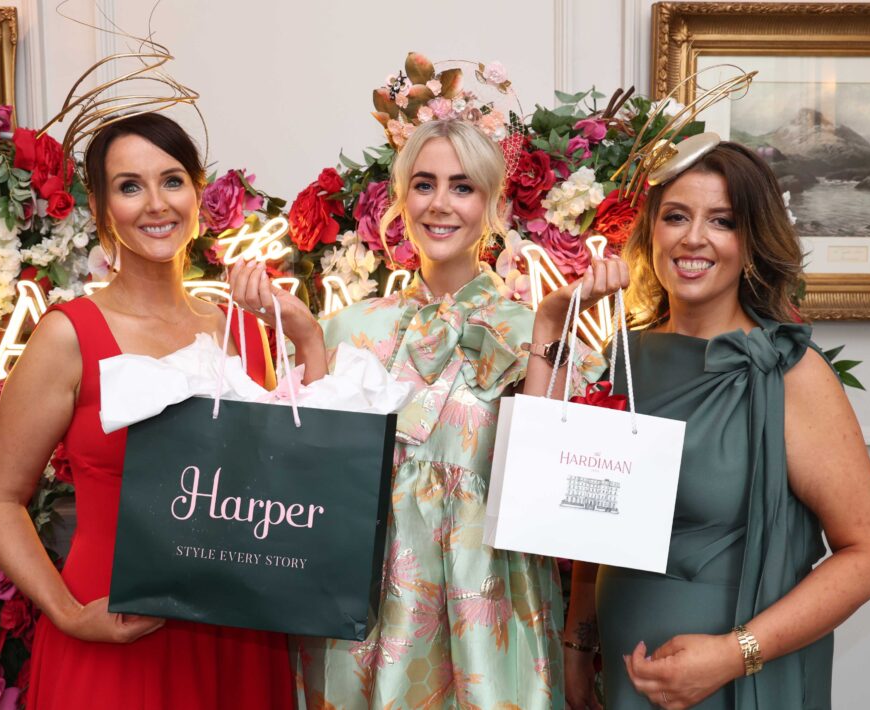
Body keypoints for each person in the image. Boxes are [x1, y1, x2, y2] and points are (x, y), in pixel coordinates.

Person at [246, 117, 614, 709]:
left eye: (462, 186)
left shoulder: (530, 331)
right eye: (424, 184)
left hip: (490, 614)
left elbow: (541, 494)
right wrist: (309, 346)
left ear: (493, 204)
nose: (440, 203)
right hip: (366, 621)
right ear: (400, 199)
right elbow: (310, 487)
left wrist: (548, 327)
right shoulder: (349, 330)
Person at [544, 136, 870, 709]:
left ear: (751, 241)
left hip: (738, 684)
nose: (693, 238)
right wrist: (579, 646)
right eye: (676, 216)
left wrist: (736, 655)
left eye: (722, 221)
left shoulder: (789, 372)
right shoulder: (622, 355)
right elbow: (596, 523)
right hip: (626, 672)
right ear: (651, 232)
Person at [0, 113, 313, 709]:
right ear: (102, 209)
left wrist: (307, 340)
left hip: (237, 637)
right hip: (112, 629)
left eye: (172, 180)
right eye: (130, 186)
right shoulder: (67, 335)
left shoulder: (241, 332)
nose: (156, 203)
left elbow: (297, 483)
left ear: (199, 193)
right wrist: (68, 614)